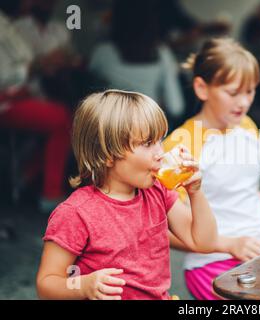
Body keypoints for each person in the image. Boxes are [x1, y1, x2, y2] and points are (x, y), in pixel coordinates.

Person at [36, 89, 219, 300]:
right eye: (148, 143)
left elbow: (204, 243)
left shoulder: (157, 191)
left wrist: (195, 193)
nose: (160, 153)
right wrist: (83, 286)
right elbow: (46, 284)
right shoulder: (76, 213)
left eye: (160, 140)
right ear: (106, 154)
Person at [163, 38, 260, 300]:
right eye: (233, 93)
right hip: (211, 265)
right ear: (201, 88)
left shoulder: (248, 127)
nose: (243, 102)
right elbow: (163, 228)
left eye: (250, 91)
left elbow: (251, 194)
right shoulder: (181, 146)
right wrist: (229, 244)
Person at [0, 0, 72, 213]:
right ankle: (48, 191)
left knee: (70, 118)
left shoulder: (10, 25)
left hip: (21, 96)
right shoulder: (10, 26)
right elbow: (5, 75)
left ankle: (27, 175)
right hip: (6, 101)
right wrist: (36, 67)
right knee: (61, 118)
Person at [89, 0, 185, 125]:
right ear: (153, 21)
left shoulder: (102, 53)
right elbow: (176, 107)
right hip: (149, 127)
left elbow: (88, 94)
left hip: (112, 128)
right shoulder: (162, 54)